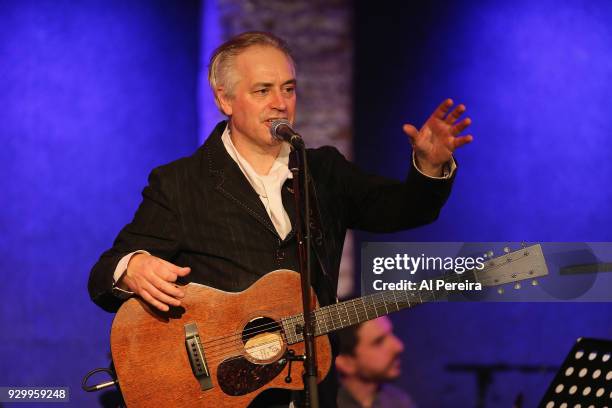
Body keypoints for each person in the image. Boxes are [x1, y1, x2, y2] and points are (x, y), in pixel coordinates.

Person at [88, 31, 472, 407]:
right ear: (224, 99)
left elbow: (405, 209)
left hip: (312, 391)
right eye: (263, 90)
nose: (280, 103)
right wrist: (132, 267)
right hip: (224, 393)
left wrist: (428, 166)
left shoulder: (323, 171)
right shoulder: (181, 183)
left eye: (288, 89)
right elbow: (104, 276)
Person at [336, 317, 416, 408]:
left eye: (392, 333)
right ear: (345, 362)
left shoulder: (399, 401)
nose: (398, 346)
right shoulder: (325, 403)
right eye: (379, 342)